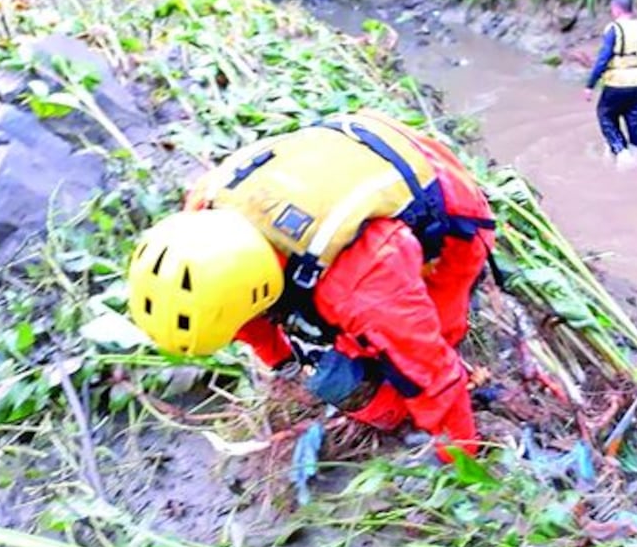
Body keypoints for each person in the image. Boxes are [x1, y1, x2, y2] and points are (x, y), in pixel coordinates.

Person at [127, 111, 496, 461]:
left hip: (448, 204)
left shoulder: (362, 283)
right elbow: (243, 318)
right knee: (346, 360)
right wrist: (284, 362)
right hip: (346, 147)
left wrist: (458, 456)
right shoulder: (206, 207)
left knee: (424, 352)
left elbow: (429, 373)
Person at [583, 0, 637, 158]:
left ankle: (620, 150)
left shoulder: (615, 29)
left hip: (617, 84)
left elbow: (603, 59)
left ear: (616, 10)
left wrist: (590, 85)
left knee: (605, 114)